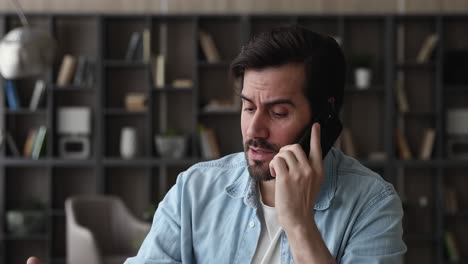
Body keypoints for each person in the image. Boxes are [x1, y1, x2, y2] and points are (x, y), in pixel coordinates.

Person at [27, 25, 406, 264]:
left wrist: (299, 224)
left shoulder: (372, 204)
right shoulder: (195, 189)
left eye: (278, 112)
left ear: (324, 116)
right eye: (247, 107)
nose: (253, 129)